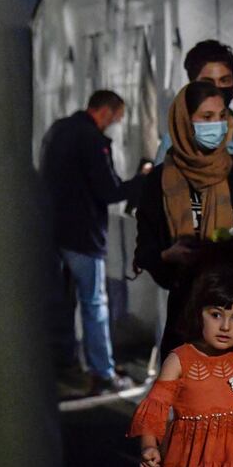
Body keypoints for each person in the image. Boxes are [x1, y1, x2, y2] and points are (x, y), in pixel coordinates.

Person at [135, 81, 233, 361]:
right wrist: (169, 255)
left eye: (222, 116)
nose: (217, 125)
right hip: (188, 318)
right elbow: (145, 251)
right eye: (206, 117)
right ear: (184, 122)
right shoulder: (159, 180)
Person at [129, 266, 233, 467]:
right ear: (198, 313)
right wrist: (149, 446)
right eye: (216, 315)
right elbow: (154, 410)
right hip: (191, 464)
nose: (225, 326)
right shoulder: (180, 360)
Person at [40, 89, 151, 394]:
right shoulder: (92, 140)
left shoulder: (57, 130)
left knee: (61, 303)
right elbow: (109, 191)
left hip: (52, 232)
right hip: (83, 236)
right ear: (104, 111)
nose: (115, 124)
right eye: (116, 118)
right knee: (94, 304)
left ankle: (64, 367)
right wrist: (142, 181)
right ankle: (102, 372)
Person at [154, 39, 233, 211]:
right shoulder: (175, 140)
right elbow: (158, 201)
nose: (217, 88)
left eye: (225, 80)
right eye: (208, 82)